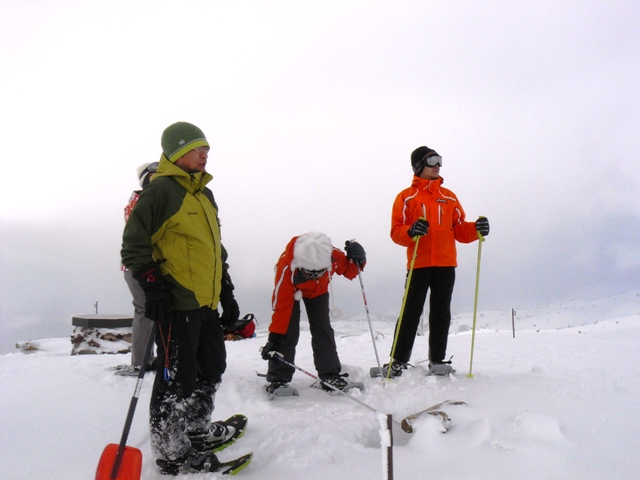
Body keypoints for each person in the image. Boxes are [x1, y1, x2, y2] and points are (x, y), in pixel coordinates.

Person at [121, 121, 243, 475]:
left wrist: (226, 290)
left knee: (211, 368)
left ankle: (195, 432)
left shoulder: (203, 194)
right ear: (176, 152)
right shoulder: (160, 192)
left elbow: (214, 247)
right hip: (177, 304)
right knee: (177, 379)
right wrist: (153, 287)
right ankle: (172, 453)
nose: (204, 155)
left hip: (206, 301)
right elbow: (133, 245)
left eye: (206, 149)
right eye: (196, 149)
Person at [386, 146, 490, 377]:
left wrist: (476, 229)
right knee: (410, 312)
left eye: (439, 160)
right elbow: (396, 232)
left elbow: (459, 230)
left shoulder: (449, 197)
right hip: (418, 263)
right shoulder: (406, 197)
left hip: (445, 264)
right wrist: (411, 230)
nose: (438, 165)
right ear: (418, 166)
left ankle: (438, 360)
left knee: (441, 313)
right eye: (432, 160)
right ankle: (398, 360)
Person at [260, 232, 367, 394]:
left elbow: (350, 271)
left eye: (320, 272)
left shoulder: (333, 255)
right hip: (292, 291)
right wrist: (274, 339)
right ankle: (278, 378)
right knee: (288, 329)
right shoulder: (287, 268)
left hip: (319, 292)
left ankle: (329, 374)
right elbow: (281, 308)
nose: (314, 276)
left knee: (323, 329)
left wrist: (359, 258)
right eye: (309, 273)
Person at [117, 162, 158, 376]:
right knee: (144, 310)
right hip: (139, 266)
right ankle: (141, 361)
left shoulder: (142, 199)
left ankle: (146, 359)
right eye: (153, 175)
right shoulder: (140, 202)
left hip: (140, 265)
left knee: (148, 309)